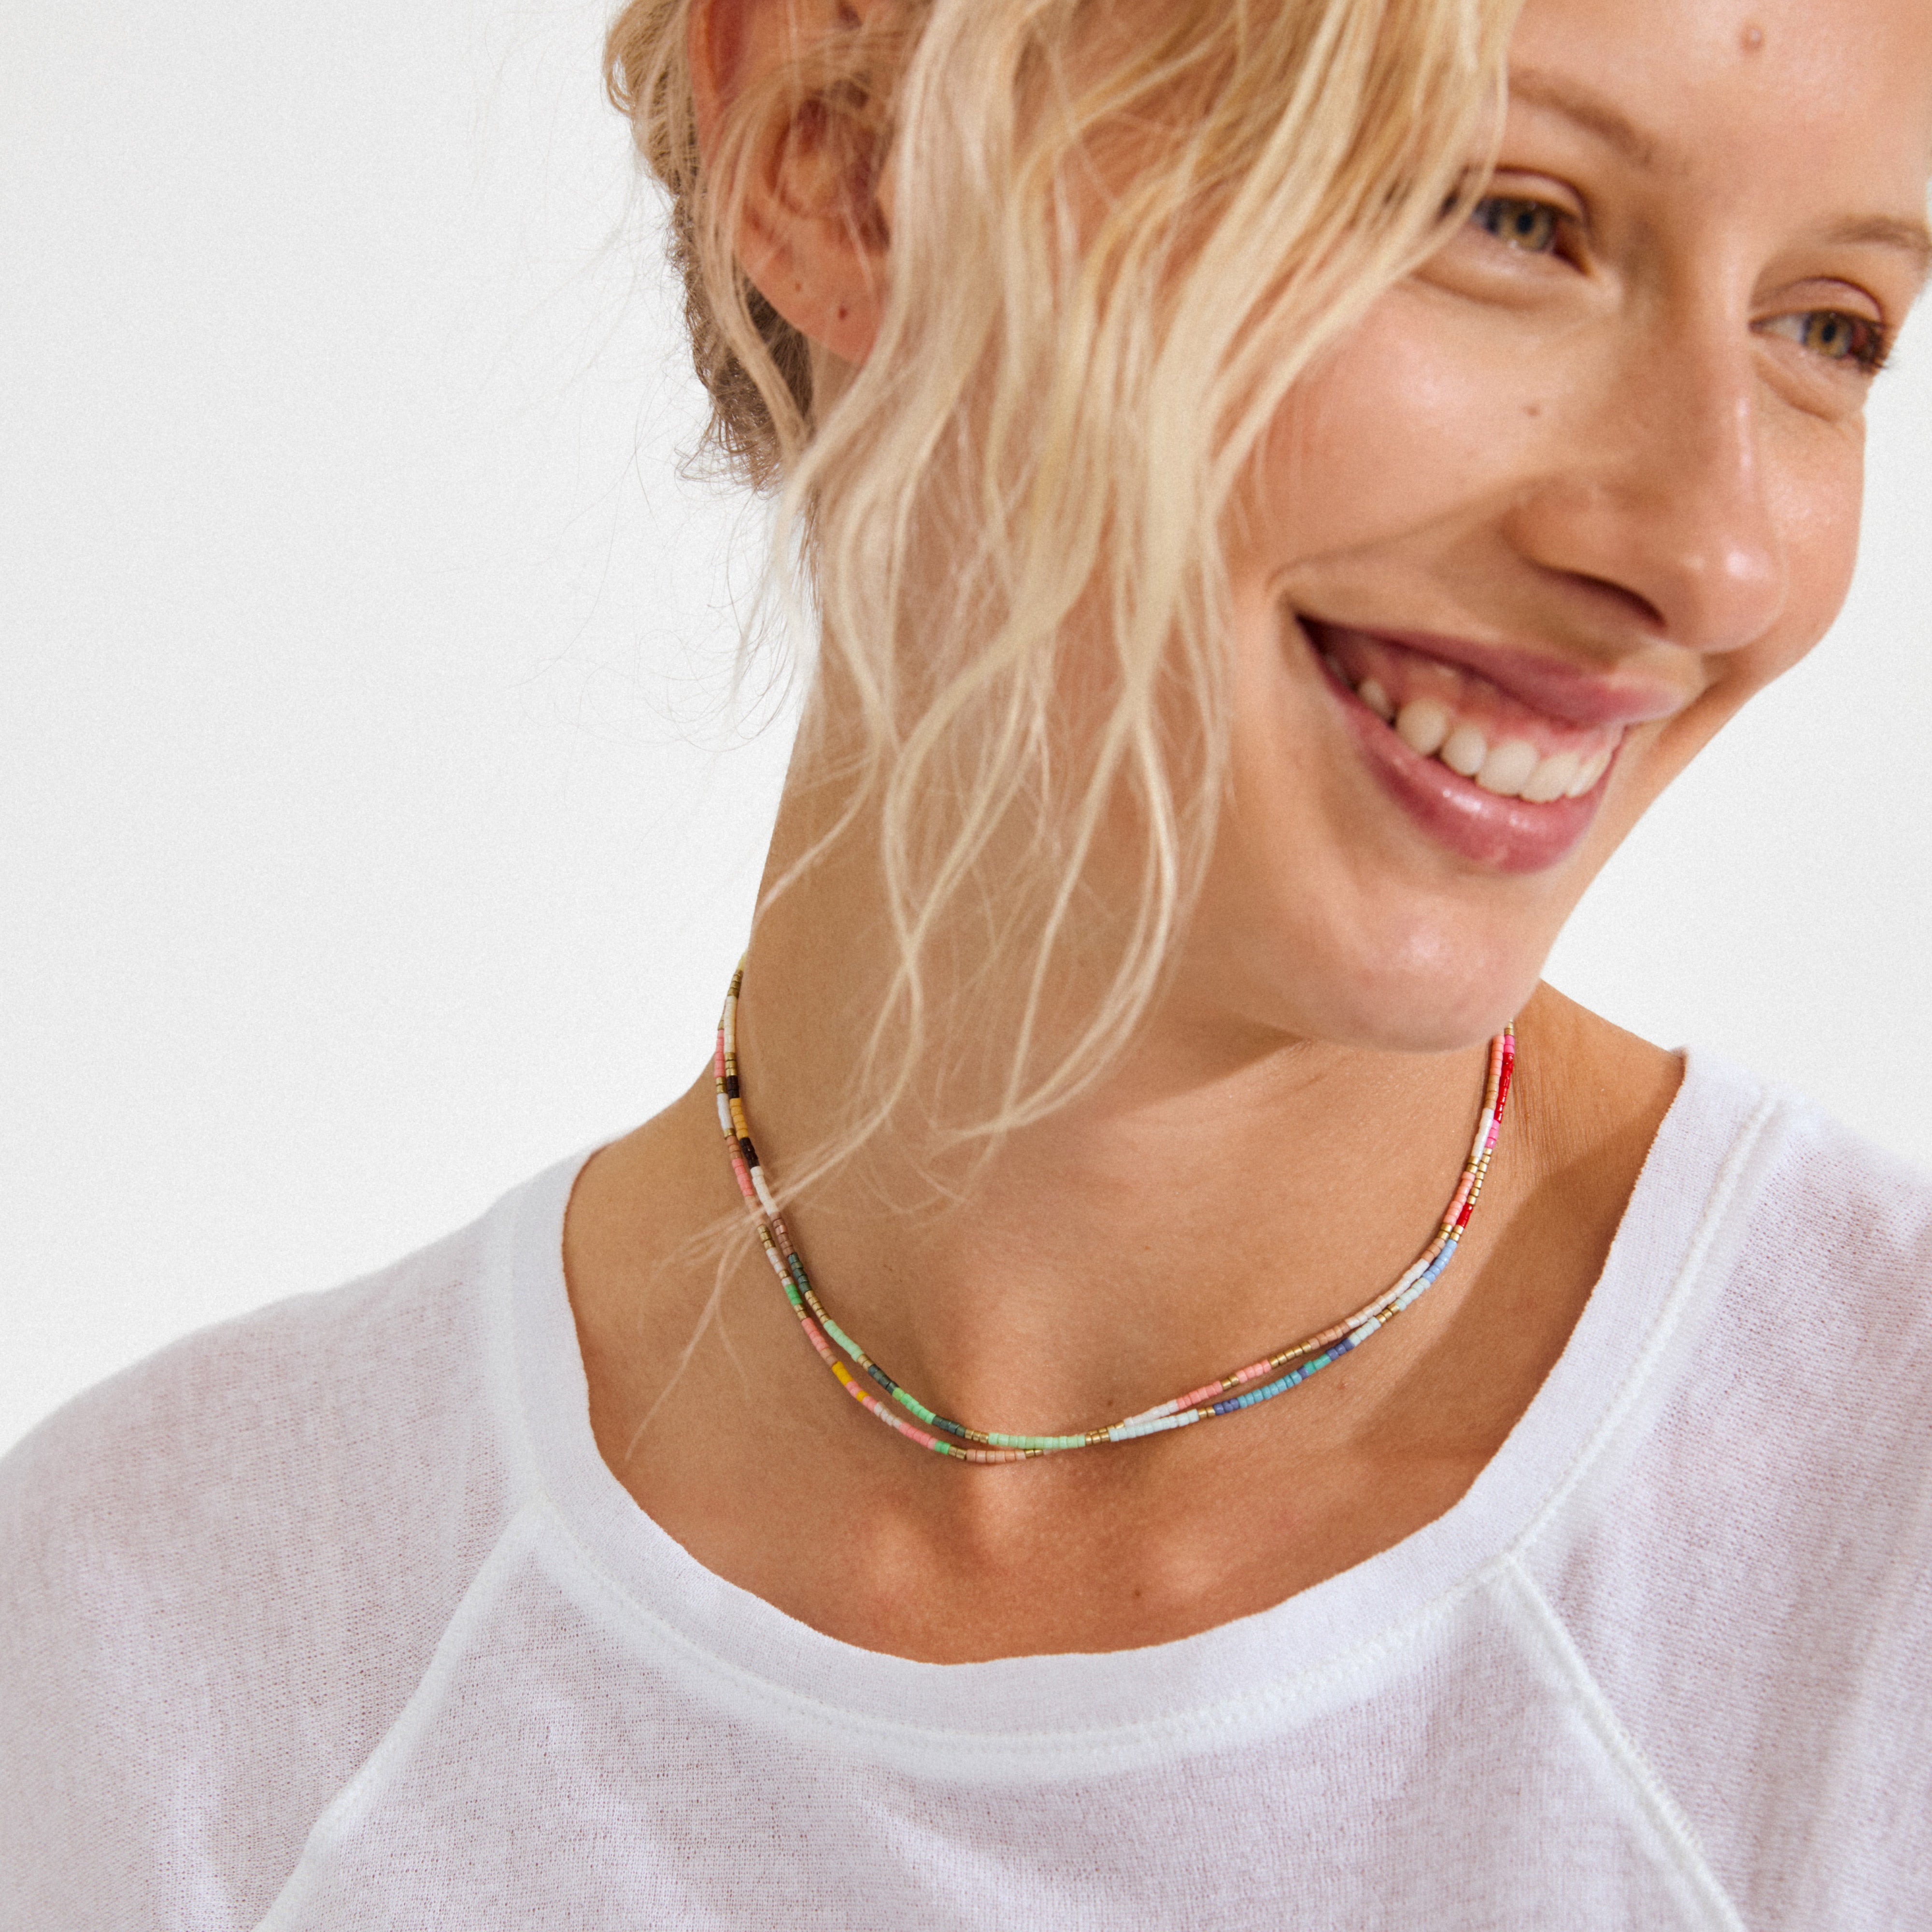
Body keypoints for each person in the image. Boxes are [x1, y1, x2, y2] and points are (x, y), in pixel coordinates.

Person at [4, 0, 1929, 1922]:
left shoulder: (1870, 1547)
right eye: (1511, 215)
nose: (1716, 554)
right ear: (846, 159)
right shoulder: (158, 1658)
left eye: (1827, 327)